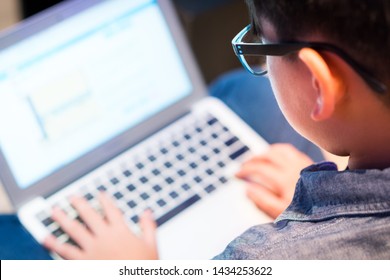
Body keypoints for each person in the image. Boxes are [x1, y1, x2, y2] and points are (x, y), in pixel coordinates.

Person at [45, 0, 390, 259]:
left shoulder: (261, 256)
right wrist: (317, 211)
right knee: (241, 90)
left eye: (260, 39)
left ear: (318, 83)